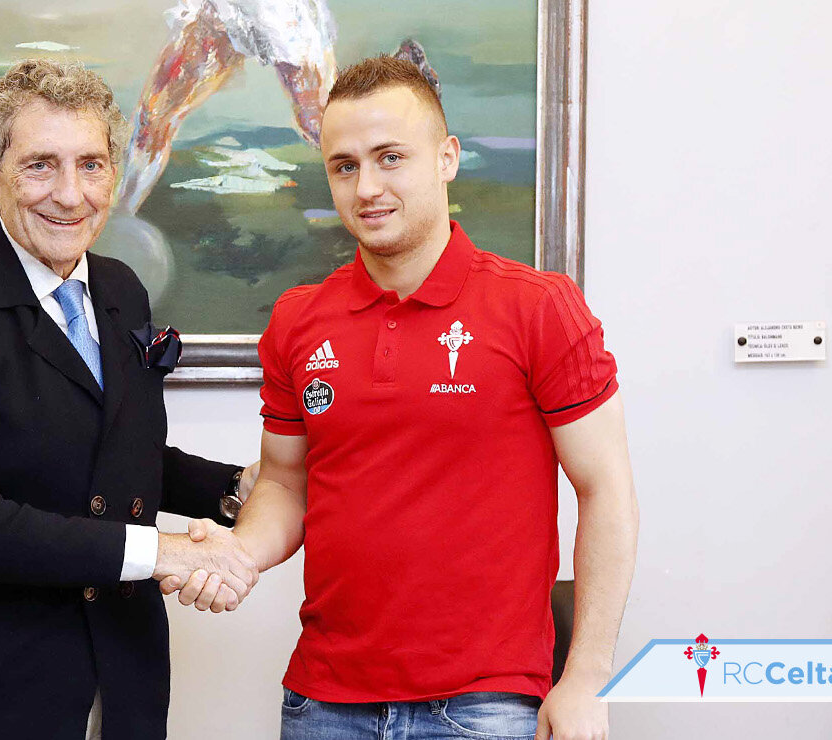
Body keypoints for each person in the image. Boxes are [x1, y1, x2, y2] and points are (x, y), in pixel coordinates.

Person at [168, 56, 639, 740]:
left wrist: (587, 678)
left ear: (447, 158)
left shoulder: (538, 307)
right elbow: (287, 483)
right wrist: (239, 553)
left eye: (391, 157)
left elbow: (607, 490)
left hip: (484, 706)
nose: (367, 188)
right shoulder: (298, 320)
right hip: (322, 705)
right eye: (345, 166)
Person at [0, 58, 258, 740]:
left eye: (91, 165)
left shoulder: (121, 290)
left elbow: (115, 455)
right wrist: (164, 552)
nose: (70, 194)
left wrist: (235, 490)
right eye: (40, 166)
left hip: (123, 685)